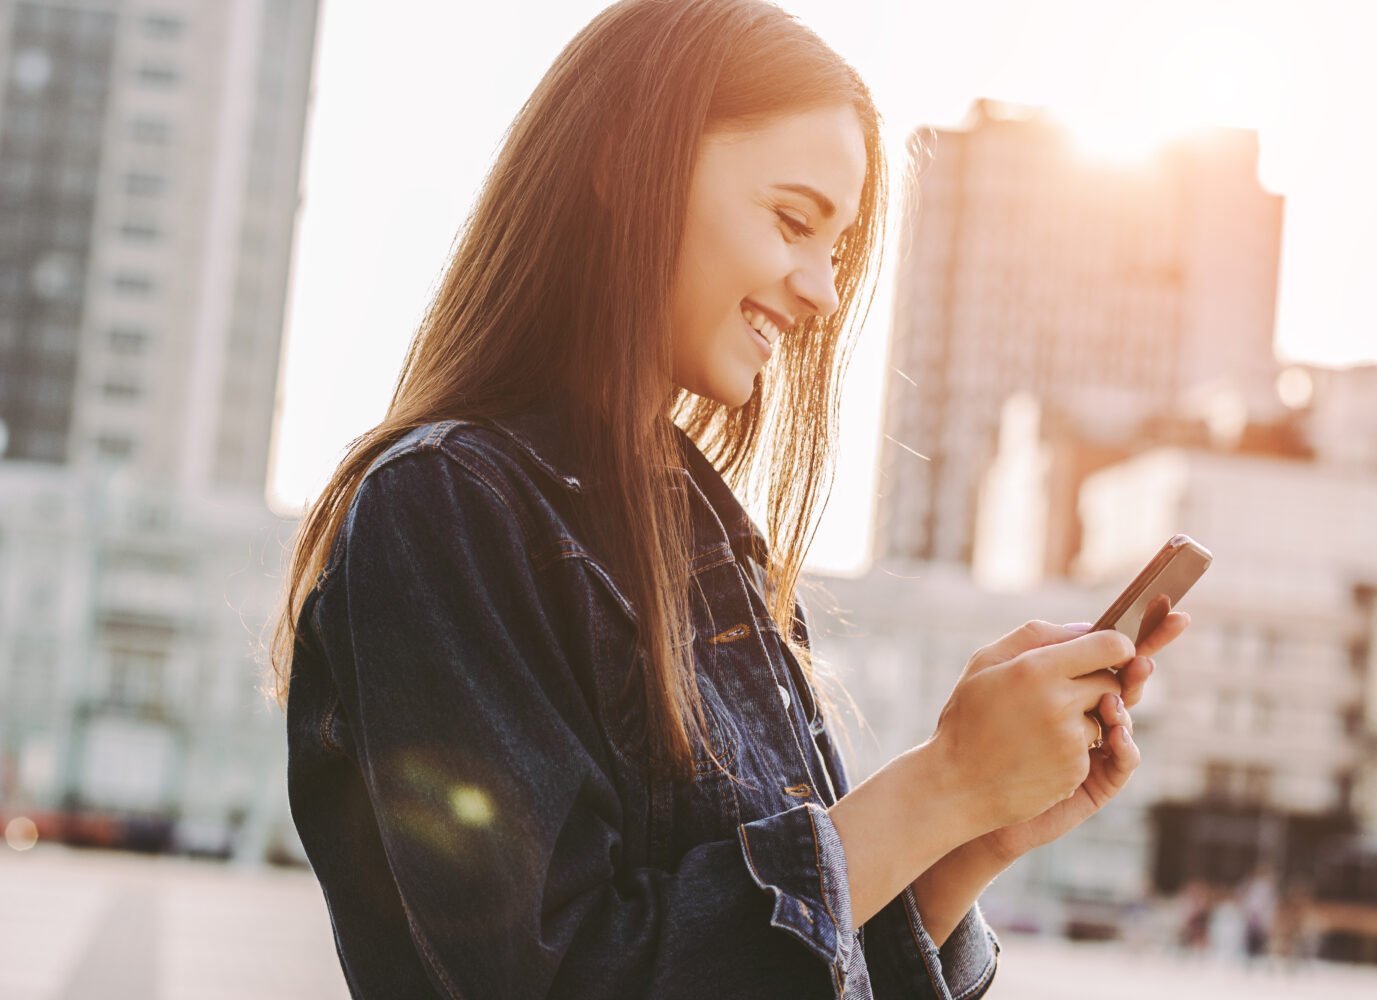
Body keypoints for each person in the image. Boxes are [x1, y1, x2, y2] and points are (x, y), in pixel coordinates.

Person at [269, 1, 1187, 997]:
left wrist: (965, 838)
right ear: (627, 164)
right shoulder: (445, 509)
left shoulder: (713, 549)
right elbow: (554, 976)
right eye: (794, 221)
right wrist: (943, 780)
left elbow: (786, 962)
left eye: (835, 248)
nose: (824, 294)